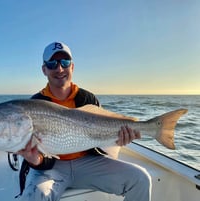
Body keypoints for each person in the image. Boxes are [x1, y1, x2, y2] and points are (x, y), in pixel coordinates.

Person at [16, 42, 151, 201]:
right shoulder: (35, 104)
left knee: (140, 179)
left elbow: (104, 140)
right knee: (34, 197)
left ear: (72, 67)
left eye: (64, 63)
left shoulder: (88, 99)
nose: (59, 69)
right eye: (52, 64)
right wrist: (35, 160)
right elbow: (40, 158)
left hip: (89, 163)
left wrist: (119, 139)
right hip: (52, 168)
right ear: (44, 69)